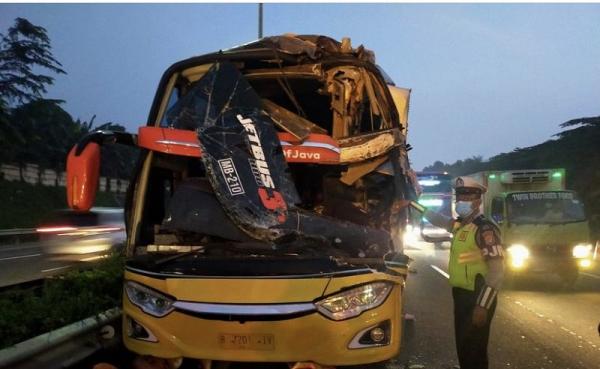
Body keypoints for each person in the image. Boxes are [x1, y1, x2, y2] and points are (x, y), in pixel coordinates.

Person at [408, 176, 504, 369]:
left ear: (478, 201)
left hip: (477, 296)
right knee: (464, 347)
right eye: (460, 197)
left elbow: (496, 272)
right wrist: (411, 204)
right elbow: (436, 218)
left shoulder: (484, 229)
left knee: (474, 350)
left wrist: (482, 306)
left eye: (468, 197)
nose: (463, 201)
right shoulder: (460, 225)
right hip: (461, 295)